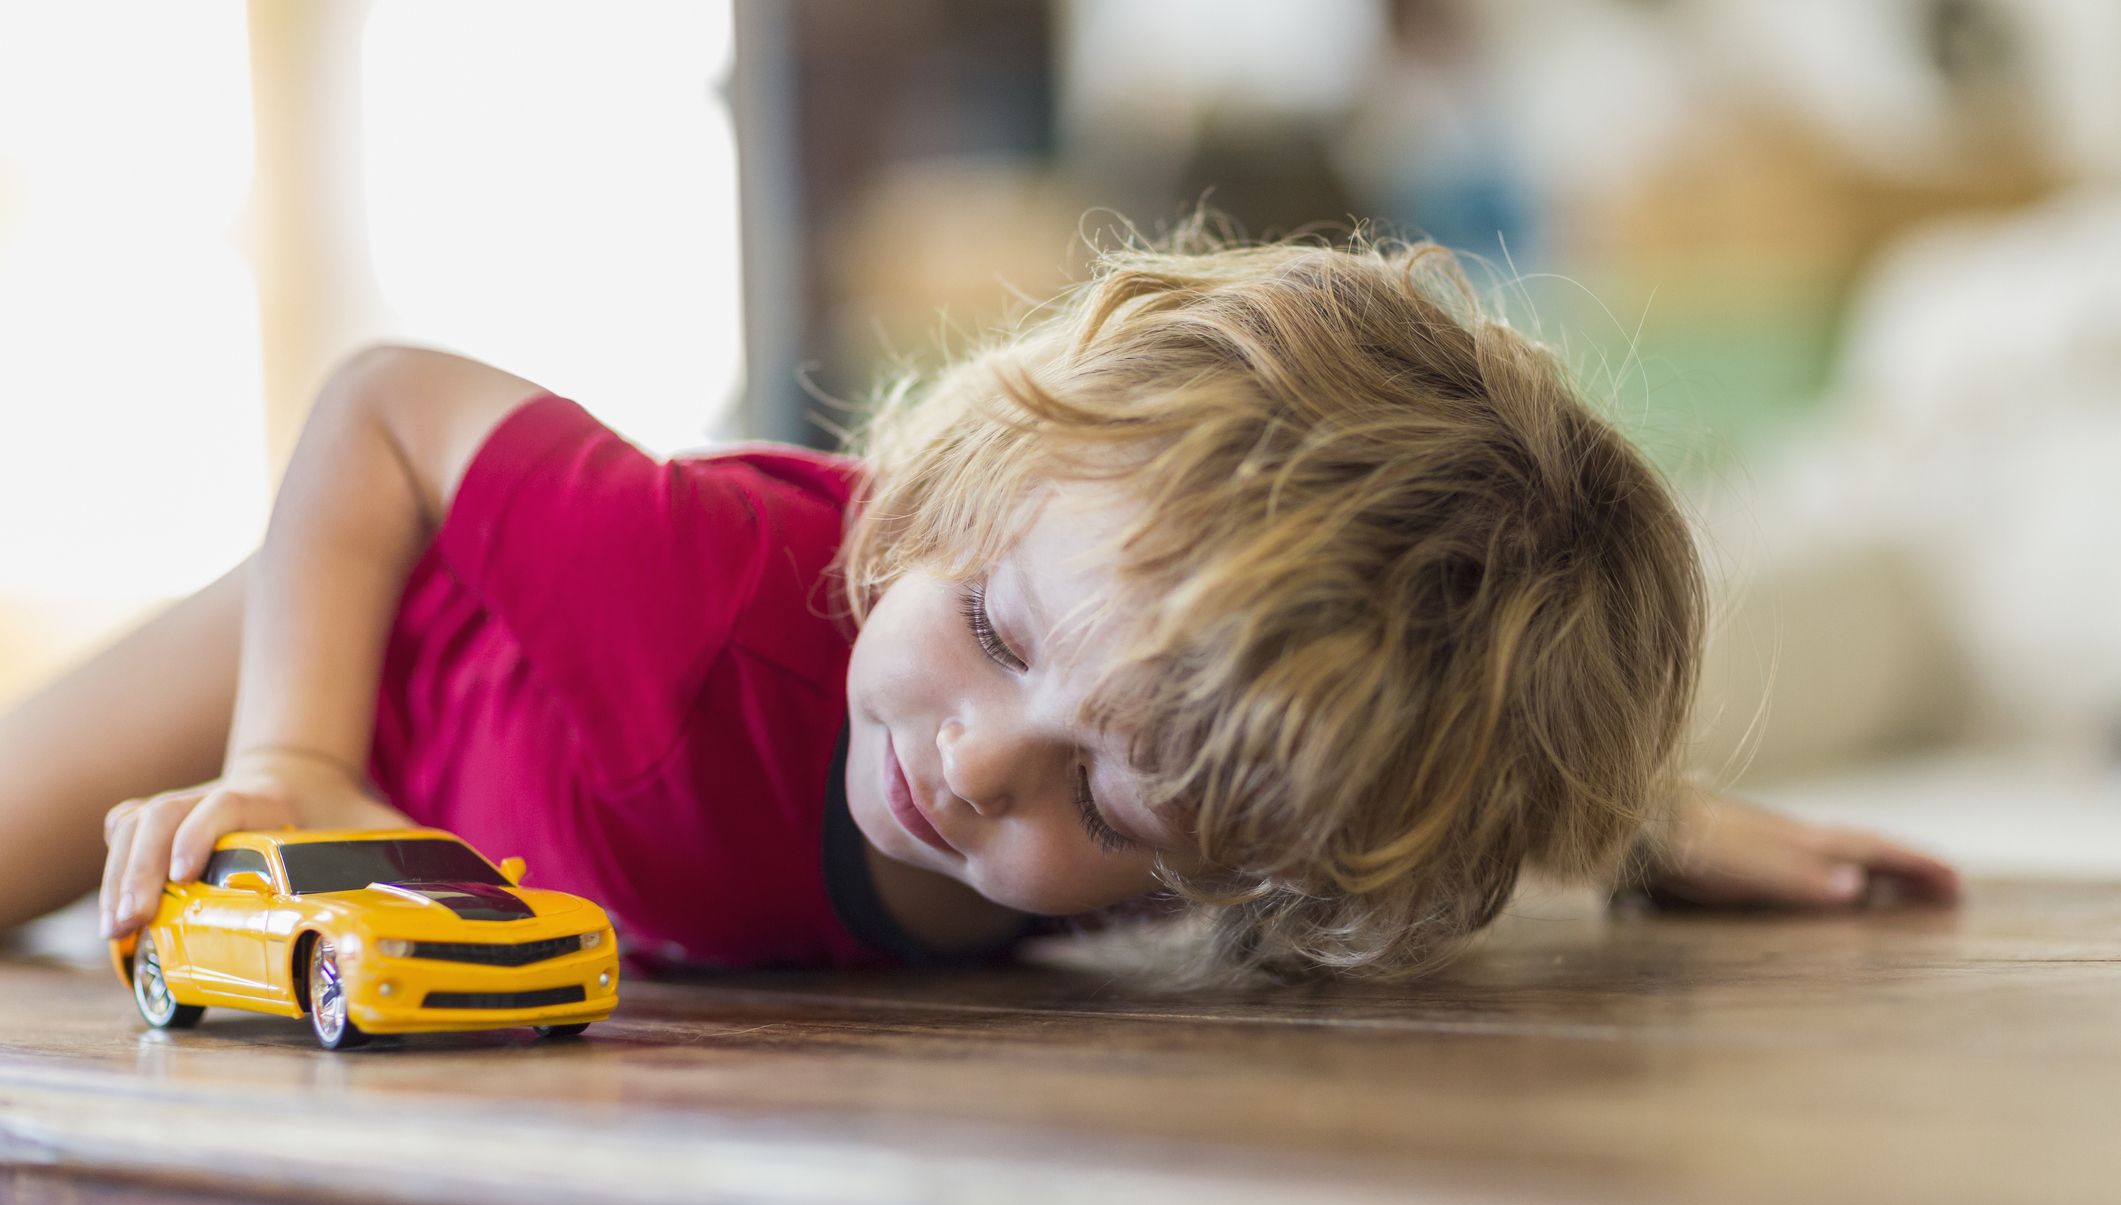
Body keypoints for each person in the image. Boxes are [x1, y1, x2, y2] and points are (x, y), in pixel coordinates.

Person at [10, 219, 1960, 988]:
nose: (973, 758)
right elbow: (383, 411)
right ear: (987, 470)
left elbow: (1375, 806)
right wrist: (293, 750)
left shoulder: (1224, 786)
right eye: (1004, 634)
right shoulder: (690, 595)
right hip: (366, 655)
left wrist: (1633, 824)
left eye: (1107, 801)